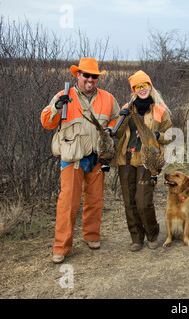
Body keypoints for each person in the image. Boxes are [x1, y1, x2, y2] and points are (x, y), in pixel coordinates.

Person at [41, 57, 121, 264]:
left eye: (94, 76)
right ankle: (61, 247)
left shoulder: (108, 98)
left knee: (95, 200)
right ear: (78, 75)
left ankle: (92, 236)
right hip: (72, 158)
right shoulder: (63, 96)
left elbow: (117, 118)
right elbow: (46, 122)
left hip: (97, 158)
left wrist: (111, 128)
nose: (90, 80)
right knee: (68, 203)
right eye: (86, 75)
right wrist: (57, 107)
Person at [111, 70, 173, 252]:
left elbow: (170, 134)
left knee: (143, 201)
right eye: (137, 87)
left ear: (150, 86)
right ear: (134, 89)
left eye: (144, 85)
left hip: (148, 160)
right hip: (126, 159)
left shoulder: (160, 109)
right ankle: (136, 238)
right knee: (129, 201)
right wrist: (121, 119)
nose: (141, 89)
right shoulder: (127, 108)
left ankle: (152, 234)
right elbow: (118, 134)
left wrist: (157, 135)